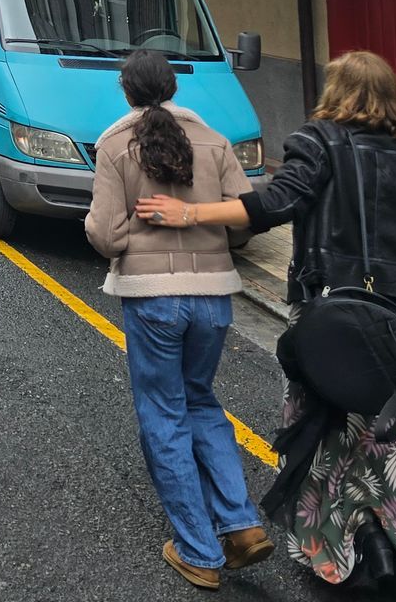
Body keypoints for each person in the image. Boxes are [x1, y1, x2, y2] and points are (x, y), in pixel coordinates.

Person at [138, 51, 396, 601]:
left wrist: (189, 213)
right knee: (386, 443)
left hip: (331, 315)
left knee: (319, 433)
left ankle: (345, 556)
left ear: (337, 92)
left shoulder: (318, 141)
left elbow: (273, 204)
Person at [85, 51, 271, 591]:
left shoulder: (114, 145)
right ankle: (240, 524)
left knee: (164, 413)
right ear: (172, 88)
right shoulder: (215, 141)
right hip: (213, 296)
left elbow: (105, 235)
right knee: (201, 401)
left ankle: (198, 550)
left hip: (153, 300)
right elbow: (247, 219)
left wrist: (130, 232)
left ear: (126, 92)